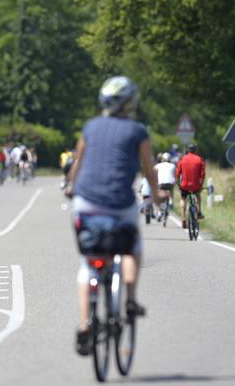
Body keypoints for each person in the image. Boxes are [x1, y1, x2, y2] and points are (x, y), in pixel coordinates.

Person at [64, 76, 161, 356]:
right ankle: (130, 299)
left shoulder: (90, 127)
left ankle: (85, 324)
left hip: (86, 202)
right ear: (130, 103)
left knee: (88, 265)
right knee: (132, 245)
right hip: (120, 204)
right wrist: (156, 197)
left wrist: (70, 187)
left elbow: (78, 163)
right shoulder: (137, 131)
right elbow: (149, 170)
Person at [176, 143, 206, 228]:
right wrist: (201, 185)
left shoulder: (182, 159)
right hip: (195, 186)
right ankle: (199, 212)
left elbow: (177, 173)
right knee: (198, 196)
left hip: (184, 185)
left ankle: (183, 218)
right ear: (196, 150)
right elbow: (202, 175)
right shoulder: (199, 159)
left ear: (188, 150)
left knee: (183, 198)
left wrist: (178, 184)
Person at [154, 152, 177, 219]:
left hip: (161, 183)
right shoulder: (173, 165)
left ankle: (159, 212)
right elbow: (175, 175)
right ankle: (171, 201)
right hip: (170, 183)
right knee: (171, 189)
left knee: (159, 196)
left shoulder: (158, 165)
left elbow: (153, 173)